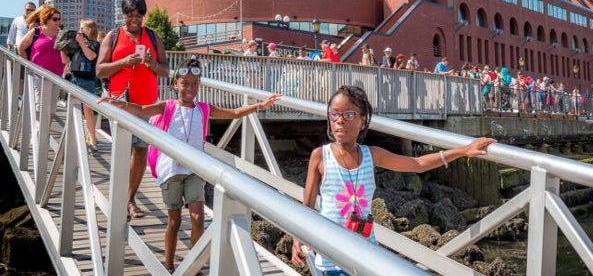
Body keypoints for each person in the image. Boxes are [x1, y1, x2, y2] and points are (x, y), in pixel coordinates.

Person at [99, 56, 281, 272]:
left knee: (198, 217)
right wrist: (119, 103)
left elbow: (233, 113)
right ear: (175, 84)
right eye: (184, 83)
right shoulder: (167, 106)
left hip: (194, 170)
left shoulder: (203, 108)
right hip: (170, 171)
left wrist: (260, 105)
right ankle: (169, 266)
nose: (190, 88)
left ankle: (193, 266)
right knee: (174, 221)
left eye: (195, 84)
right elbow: (141, 109)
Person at [290, 85, 495, 272]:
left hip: (366, 256)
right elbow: (307, 207)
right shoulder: (320, 156)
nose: (340, 120)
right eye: (334, 114)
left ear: (363, 121)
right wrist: (297, 239)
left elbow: (417, 164)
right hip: (330, 258)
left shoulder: (371, 155)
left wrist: (463, 151)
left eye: (349, 114)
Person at [96, 0, 170, 221]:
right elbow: (99, 70)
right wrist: (124, 62)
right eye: (130, 15)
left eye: (139, 15)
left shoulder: (152, 36)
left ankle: (129, 199)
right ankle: (117, 199)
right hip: (120, 102)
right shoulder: (113, 36)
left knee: (140, 151)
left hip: (146, 104)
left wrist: (152, 64)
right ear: (123, 14)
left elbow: (166, 70)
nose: (134, 20)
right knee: (122, 150)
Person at [17, 6, 65, 120]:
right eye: (55, 19)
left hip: (56, 76)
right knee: (38, 107)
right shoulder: (36, 31)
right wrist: (29, 65)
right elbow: (20, 48)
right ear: (46, 19)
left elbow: (66, 55)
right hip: (38, 75)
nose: (58, 21)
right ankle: (37, 129)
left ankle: (46, 130)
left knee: (51, 108)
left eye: (59, 19)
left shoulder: (61, 34)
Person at [60, 20, 101, 153]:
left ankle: (92, 139)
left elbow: (91, 56)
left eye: (84, 28)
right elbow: (65, 61)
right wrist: (62, 48)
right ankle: (71, 138)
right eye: (80, 28)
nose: (81, 30)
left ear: (91, 30)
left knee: (88, 111)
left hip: (88, 80)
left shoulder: (95, 44)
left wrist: (82, 43)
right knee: (72, 109)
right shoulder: (76, 44)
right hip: (74, 78)